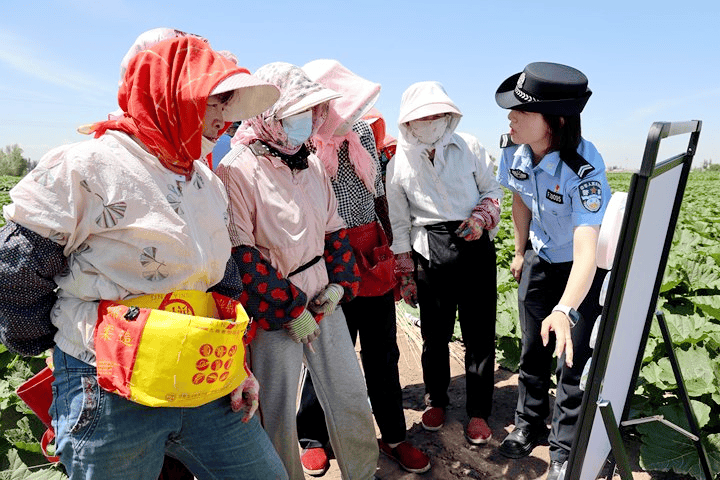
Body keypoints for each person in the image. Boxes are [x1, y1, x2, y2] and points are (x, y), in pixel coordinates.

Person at [0, 36, 288, 479]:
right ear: (168, 97)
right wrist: (63, 347)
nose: (223, 121)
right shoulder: (86, 166)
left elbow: (221, 280)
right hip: (109, 388)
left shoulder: (204, 183)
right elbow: (16, 270)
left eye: (228, 106)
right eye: (214, 103)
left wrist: (238, 365)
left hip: (204, 381)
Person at [215, 62, 379, 480]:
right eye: (297, 113)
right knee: (278, 409)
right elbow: (242, 254)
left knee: (349, 395)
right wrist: (290, 310)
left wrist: (341, 284)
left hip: (325, 299)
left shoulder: (312, 165)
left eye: (312, 113)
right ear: (271, 114)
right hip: (274, 312)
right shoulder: (237, 169)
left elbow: (334, 231)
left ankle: (363, 471)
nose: (307, 122)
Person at [293, 59, 430, 476]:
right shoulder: (300, 147)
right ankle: (312, 436)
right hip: (325, 257)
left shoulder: (365, 137)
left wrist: (394, 255)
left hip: (369, 254)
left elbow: (377, 197)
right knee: (326, 351)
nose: (348, 114)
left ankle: (393, 436)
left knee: (382, 352)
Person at [493, 62, 611, 480]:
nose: (511, 118)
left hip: (578, 271)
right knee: (531, 349)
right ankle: (527, 425)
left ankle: (562, 449)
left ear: (555, 121)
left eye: (521, 112)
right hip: (540, 259)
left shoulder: (585, 169)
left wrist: (565, 308)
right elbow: (521, 198)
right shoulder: (513, 150)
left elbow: (586, 253)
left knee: (571, 359)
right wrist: (520, 250)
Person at [386, 81, 502, 446]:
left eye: (437, 114)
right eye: (423, 117)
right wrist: (405, 275)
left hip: (474, 244)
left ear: (448, 115)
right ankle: (436, 400)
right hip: (428, 250)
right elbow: (400, 224)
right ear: (409, 123)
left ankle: (479, 412)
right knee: (434, 335)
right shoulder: (398, 164)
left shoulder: (469, 147)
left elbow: (492, 191)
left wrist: (481, 218)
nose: (431, 121)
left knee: (479, 334)